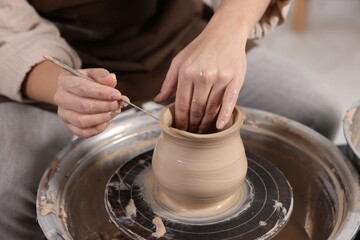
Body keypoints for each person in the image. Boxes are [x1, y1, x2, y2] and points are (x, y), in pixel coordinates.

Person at [0, 0, 340, 239]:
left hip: (181, 39)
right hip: (52, 61)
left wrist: (227, 30)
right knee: (10, 180)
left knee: (312, 113)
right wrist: (58, 86)